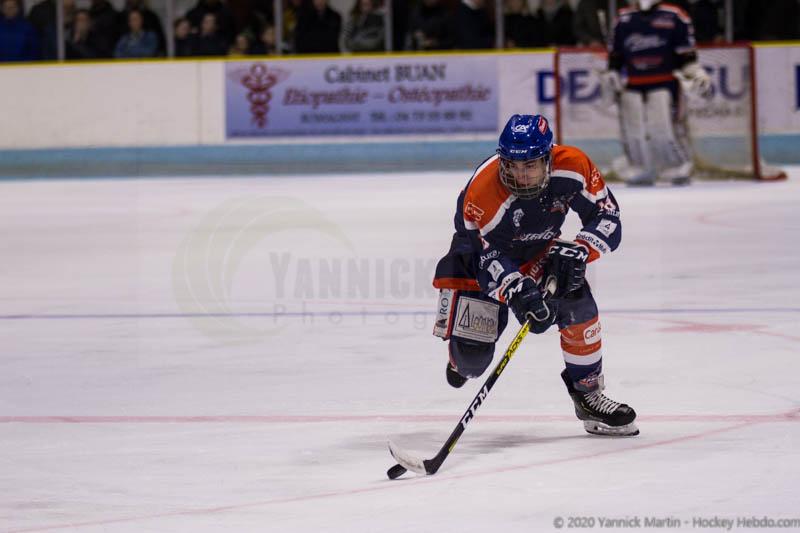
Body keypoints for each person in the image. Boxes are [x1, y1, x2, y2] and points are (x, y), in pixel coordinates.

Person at [431, 113, 638, 437]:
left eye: (529, 165)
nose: (519, 174)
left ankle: (588, 394)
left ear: (547, 159)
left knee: (575, 299)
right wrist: (518, 290)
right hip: (478, 262)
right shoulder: (482, 194)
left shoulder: (573, 166)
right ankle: (460, 360)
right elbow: (485, 258)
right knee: (471, 362)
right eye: (512, 165)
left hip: (539, 252)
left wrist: (581, 249)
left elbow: (607, 215)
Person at [602, 0, 711, 185]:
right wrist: (612, 72)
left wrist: (695, 72)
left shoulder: (675, 16)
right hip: (632, 84)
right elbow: (616, 55)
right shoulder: (623, 19)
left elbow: (686, 56)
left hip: (664, 82)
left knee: (661, 127)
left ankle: (676, 166)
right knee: (633, 131)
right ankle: (640, 167)